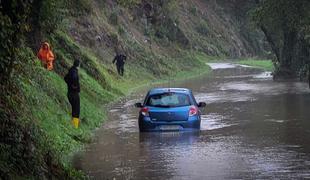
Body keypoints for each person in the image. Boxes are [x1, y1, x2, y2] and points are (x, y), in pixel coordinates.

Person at [64, 60, 81, 128]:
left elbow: (65, 78)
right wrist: (75, 86)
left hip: (69, 93)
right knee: (76, 110)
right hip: (74, 94)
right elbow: (74, 78)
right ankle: (75, 126)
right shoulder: (74, 71)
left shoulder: (70, 70)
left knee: (74, 109)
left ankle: (74, 125)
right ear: (78, 65)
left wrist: (69, 84)